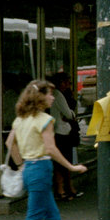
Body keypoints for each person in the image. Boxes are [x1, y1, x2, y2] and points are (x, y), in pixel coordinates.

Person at [0, 80, 88, 220]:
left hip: (30, 168)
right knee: (32, 219)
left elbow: (10, 143)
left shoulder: (21, 119)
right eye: (49, 94)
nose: (53, 98)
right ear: (40, 98)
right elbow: (52, 149)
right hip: (42, 169)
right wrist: (71, 167)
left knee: (52, 217)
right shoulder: (45, 120)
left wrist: (21, 165)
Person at [48, 72, 80, 200]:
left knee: (62, 162)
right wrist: (71, 114)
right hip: (60, 132)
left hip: (60, 131)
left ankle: (65, 188)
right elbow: (68, 114)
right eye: (65, 82)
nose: (67, 85)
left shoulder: (62, 94)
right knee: (62, 162)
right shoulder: (58, 94)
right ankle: (61, 189)